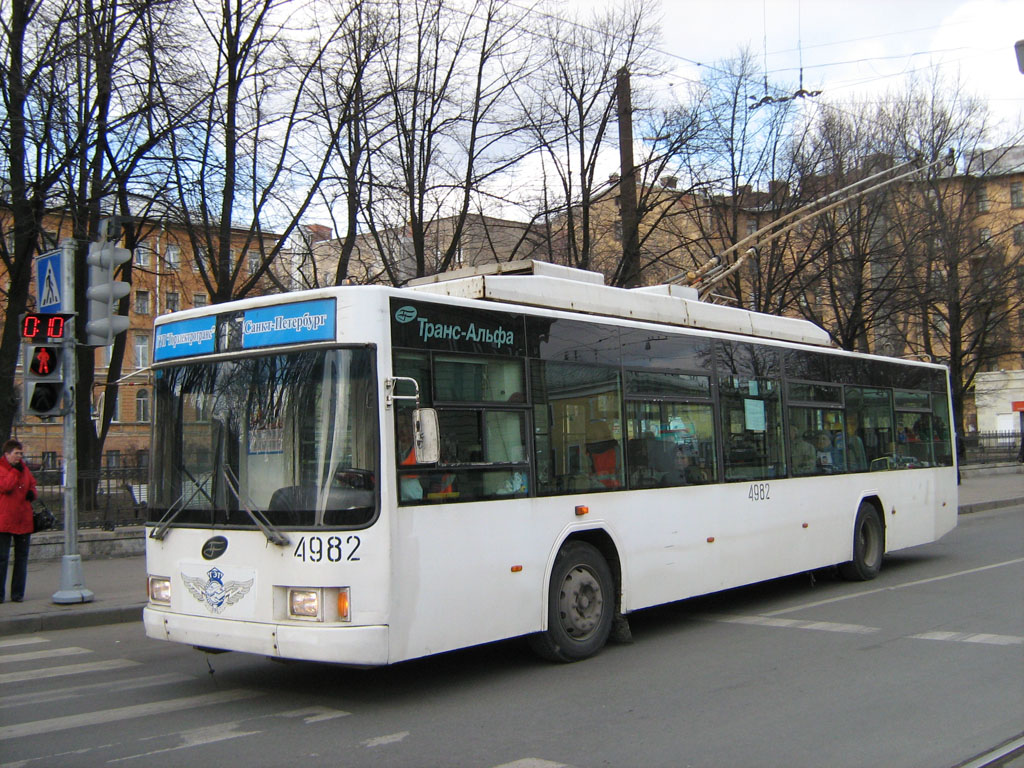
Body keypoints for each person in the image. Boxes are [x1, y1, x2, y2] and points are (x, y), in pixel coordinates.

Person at [0, 439, 37, 603]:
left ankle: (18, 593)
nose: (19, 457)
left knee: (21, 558)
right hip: (5, 520)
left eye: (21, 453)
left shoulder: (24, 469)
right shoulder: (2, 468)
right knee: (2, 558)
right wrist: (15, 472)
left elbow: (32, 484)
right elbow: (6, 486)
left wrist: (32, 493)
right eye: (16, 453)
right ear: (7, 454)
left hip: (23, 519)